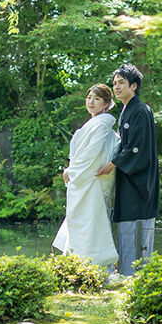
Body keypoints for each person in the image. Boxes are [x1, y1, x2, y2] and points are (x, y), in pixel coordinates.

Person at [96, 63, 159, 275]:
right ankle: (127, 273)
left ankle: (137, 276)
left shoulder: (141, 111)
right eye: (114, 83)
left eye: (121, 82)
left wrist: (112, 163)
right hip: (128, 177)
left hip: (140, 180)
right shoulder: (126, 111)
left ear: (134, 86)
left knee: (137, 228)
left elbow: (136, 148)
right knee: (126, 227)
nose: (116, 87)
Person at [52, 84, 119, 267]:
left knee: (92, 223)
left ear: (106, 104)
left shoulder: (102, 126)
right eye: (89, 98)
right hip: (86, 179)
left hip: (91, 180)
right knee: (84, 222)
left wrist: (71, 171)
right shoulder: (95, 124)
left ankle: (92, 265)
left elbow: (92, 154)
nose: (91, 102)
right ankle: (80, 263)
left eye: (97, 99)